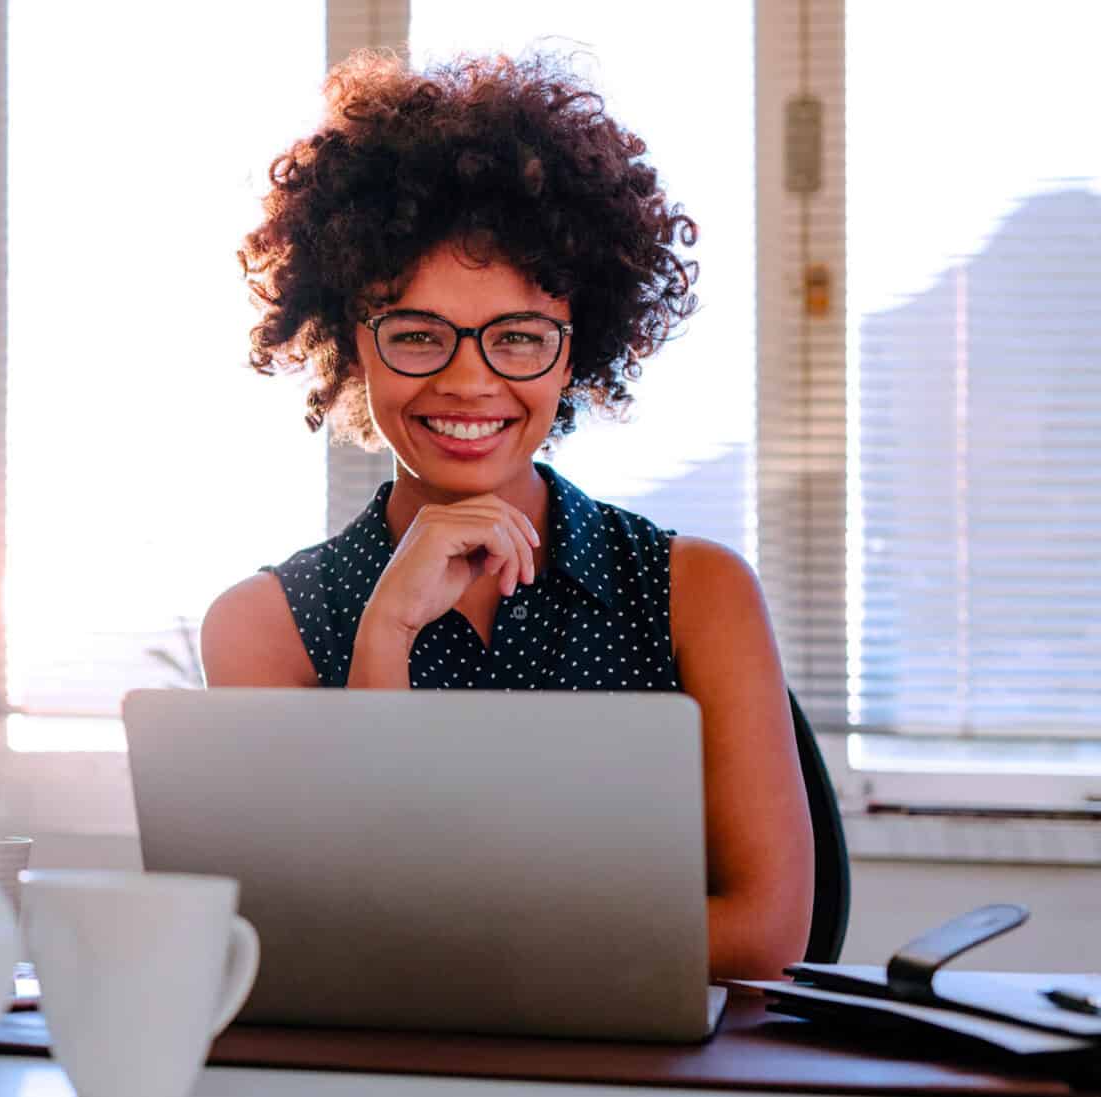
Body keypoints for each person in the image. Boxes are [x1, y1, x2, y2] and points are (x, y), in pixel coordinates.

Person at [202, 50, 812, 980]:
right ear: (352, 347)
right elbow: (326, 923)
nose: (468, 379)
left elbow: (766, 931)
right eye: (416, 334)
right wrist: (386, 637)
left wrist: (467, 946)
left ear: (577, 351)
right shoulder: (262, 628)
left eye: (519, 336)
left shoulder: (700, 593)